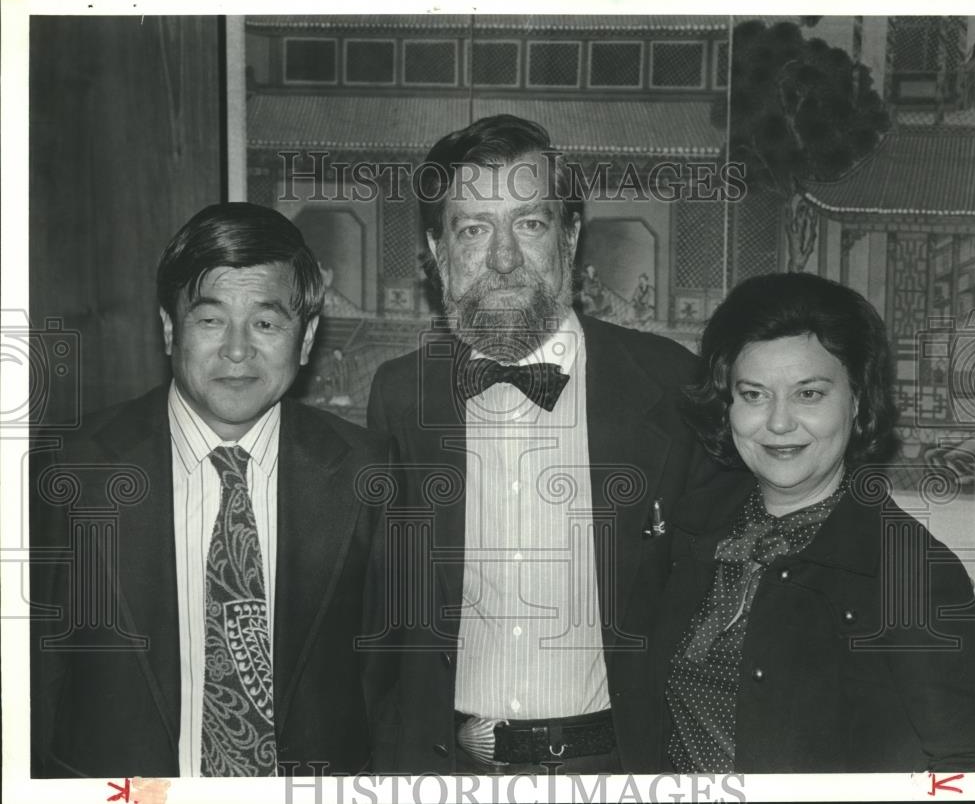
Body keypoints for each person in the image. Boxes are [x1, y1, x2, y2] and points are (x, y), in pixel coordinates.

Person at [365, 114, 721, 773]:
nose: (503, 258)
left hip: (617, 770)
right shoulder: (399, 398)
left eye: (529, 223)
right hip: (447, 769)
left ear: (571, 237)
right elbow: (377, 622)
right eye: (474, 228)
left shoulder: (671, 388)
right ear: (439, 253)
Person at [31, 203, 389, 777]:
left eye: (267, 323)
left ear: (307, 337)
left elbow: (389, 688)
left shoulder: (368, 472)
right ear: (171, 327)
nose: (238, 350)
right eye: (211, 320)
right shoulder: (70, 468)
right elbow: (34, 682)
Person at [658, 272, 975, 772]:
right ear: (727, 404)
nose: (780, 423)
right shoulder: (689, 524)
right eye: (754, 394)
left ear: (856, 402)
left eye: (809, 394)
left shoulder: (912, 574)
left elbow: (963, 763)